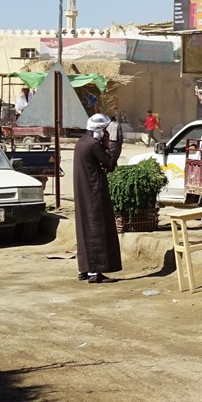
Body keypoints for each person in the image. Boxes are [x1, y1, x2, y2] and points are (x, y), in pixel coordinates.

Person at [73, 113, 122, 283]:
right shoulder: (94, 145)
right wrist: (110, 145)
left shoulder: (81, 142)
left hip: (83, 191)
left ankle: (85, 268)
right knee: (97, 228)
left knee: (85, 228)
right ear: (99, 131)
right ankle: (96, 271)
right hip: (93, 191)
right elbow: (109, 164)